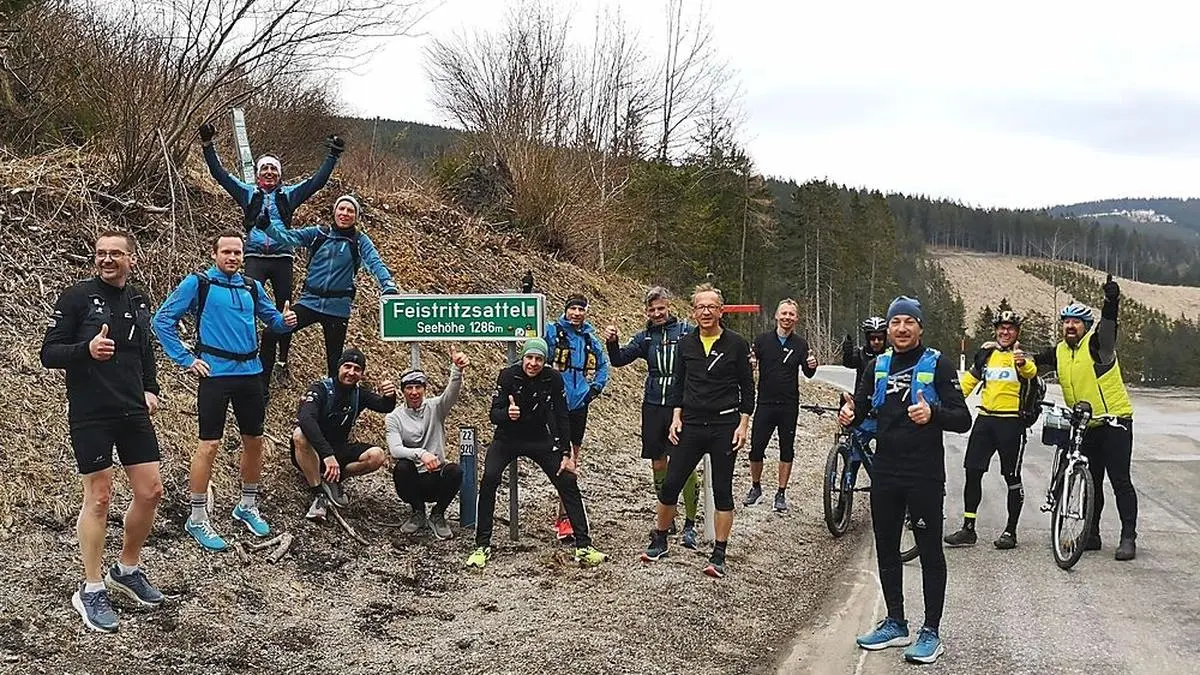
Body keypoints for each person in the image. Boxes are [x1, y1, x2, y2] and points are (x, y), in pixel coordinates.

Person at [40, 230, 166, 633]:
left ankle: (126, 570)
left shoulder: (137, 298)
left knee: (151, 492)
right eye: (100, 253)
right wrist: (86, 351)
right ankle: (91, 588)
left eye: (115, 254)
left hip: (132, 409)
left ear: (131, 258)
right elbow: (49, 353)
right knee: (99, 498)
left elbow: (144, 347)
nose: (107, 259)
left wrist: (151, 387)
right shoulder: (76, 297)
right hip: (91, 410)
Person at [837, 295, 971, 665]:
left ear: (919, 327)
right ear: (888, 328)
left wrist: (934, 413)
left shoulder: (938, 364)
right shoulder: (877, 365)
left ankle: (931, 631)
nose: (901, 329)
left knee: (929, 551)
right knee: (886, 546)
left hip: (924, 474)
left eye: (908, 322)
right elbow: (861, 408)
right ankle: (895, 622)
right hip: (886, 471)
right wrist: (848, 412)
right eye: (895, 323)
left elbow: (963, 418)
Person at [152, 229, 297, 551]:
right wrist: (186, 359)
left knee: (254, 441)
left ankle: (246, 505)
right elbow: (162, 320)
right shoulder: (199, 283)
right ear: (215, 254)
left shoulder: (251, 286)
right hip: (215, 373)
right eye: (227, 252)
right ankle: (198, 516)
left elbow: (272, 321)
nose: (232, 257)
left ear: (244, 256)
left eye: (237, 253)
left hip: (251, 373)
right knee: (209, 445)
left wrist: (285, 320)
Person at [198, 122, 344, 387]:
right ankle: (246, 350)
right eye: (264, 169)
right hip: (254, 256)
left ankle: (282, 360)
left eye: (273, 170)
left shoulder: (288, 195)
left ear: (279, 176)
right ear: (257, 174)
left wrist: (332, 155)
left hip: (282, 258)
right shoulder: (248, 192)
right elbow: (220, 175)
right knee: (248, 304)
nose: (268, 172)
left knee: (284, 309)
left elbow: (316, 182)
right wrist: (208, 146)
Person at [641, 283, 755, 579]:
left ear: (720, 311)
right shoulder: (686, 344)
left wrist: (743, 424)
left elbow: (748, 388)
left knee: (722, 491)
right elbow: (679, 384)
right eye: (700, 307)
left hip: (724, 426)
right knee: (670, 485)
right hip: (690, 424)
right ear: (694, 312)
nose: (706, 311)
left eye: (711, 307)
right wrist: (677, 417)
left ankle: (719, 553)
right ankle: (660, 539)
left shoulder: (737, 344)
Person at [466, 338, 608, 569]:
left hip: (538, 437)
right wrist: (507, 414)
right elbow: (493, 414)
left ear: (545, 361)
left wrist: (565, 453)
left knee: (567, 479)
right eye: (529, 358)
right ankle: (482, 545)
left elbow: (562, 416)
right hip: (507, 437)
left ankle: (584, 546)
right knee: (490, 479)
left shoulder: (553, 378)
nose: (533, 363)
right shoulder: (507, 376)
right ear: (522, 357)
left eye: (539, 359)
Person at [1033, 275, 1138, 561]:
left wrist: (1111, 301)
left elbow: (1109, 323)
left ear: (1086, 327)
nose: (1070, 326)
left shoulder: (1098, 345)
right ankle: (1091, 534)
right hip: (1085, 424)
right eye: (1066, 321)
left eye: (1076, 322)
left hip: (1113, 421)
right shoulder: (1060, 351)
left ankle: (1128, 536)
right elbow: (1032, 364)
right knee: (1090, 478)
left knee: (1120, 481)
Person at [255, 194, 400, 382]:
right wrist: (268, 227)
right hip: (309, 302)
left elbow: (374, 262)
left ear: (356, 216)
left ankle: (334, 405)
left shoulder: (359, 241)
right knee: (271, 333)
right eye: (342, 209)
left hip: (337, 308)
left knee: (335, 364)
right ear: (334, 211)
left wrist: (387, 285)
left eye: (350, 211)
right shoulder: (319, 234)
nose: (345, 213)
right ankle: (261, 387)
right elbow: (289, 237)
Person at [604, 287, 700, 549]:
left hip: (682, 403)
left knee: (685, 463)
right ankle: (667, 519)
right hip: (653, 404)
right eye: (652, 309)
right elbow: (619, 360)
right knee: (658, 463)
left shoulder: (686, 331)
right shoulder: (645, 337)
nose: (657, 313)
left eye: (661, 308)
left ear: (669, 306)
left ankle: (691, 523)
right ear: (646, 311)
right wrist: (612, 341)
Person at [944, 310, 1037, 550]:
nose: (1005, 332)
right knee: (972, 472)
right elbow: (969, 382)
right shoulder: (987, 355)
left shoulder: (1022, 357)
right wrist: (947, 403)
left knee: (1012, 478)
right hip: (985, 420)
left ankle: (1010, 531)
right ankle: (968, 528)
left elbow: (1030, 372)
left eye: (1010, 328)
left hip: (1011, 424)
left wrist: (1022, 362)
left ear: (1017, 332)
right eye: (1001, 328)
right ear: (996, 330)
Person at [291, 348, 394, 520]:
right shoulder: (321, 388)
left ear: (361, 373)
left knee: (377, 455)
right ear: (339, 367)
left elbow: (384, 406)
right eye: (347, 366)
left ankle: (334, 479)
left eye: (357, 369)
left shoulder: (358, 393)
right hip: (314, 450)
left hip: (339, 449)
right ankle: (319, 495)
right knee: (299, 434)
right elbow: (305, 418)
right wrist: (327, 455)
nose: (351, 372)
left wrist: (390, 395)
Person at [543, 294, 609, 541]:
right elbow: (533, 344)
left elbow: (603, 366)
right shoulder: (552, 331)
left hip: (579, 403)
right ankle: (564, 513)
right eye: (573, 308)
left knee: (571, 459)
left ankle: (565, 517)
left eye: (581, 309)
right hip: (553, 403)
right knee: (554, 457)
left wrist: (595, 389)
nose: (577, 313)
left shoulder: (590, 339)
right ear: (566, 310)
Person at [385, 350, 470, 539]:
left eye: (418, 387)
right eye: (409, 388)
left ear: (424, 389)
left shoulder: (436, 407)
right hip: (413, 478)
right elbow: (395, 449)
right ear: (403, 391)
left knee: (455, 471)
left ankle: (438, 514)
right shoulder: (394, 417)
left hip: (435, 475)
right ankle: (417, 512)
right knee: (402, 466)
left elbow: (452, 393)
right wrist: (421, 454)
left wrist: (457, 370)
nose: (414, 392)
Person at [745, 298, 818, 513]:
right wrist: (750, 362)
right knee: (756, 448)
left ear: (796, 318)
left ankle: (781, 492)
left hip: (789, 404)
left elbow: (809, 372)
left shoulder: (801, 344)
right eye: (783, 313)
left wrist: (812, 365)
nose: (787, 317)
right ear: (777, 316)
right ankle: (756, 487)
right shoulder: (762, 340)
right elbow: (751, 362)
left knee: (787, 449)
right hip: (765, 402)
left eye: (791, 314)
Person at [843, 316, 888, 384]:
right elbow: (848, 363)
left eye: (880, 337)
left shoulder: (892, 355)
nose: (876, 341)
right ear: (867, 338)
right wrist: (847, 353)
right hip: (864, 394)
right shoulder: (860, 353)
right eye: (872, 338)